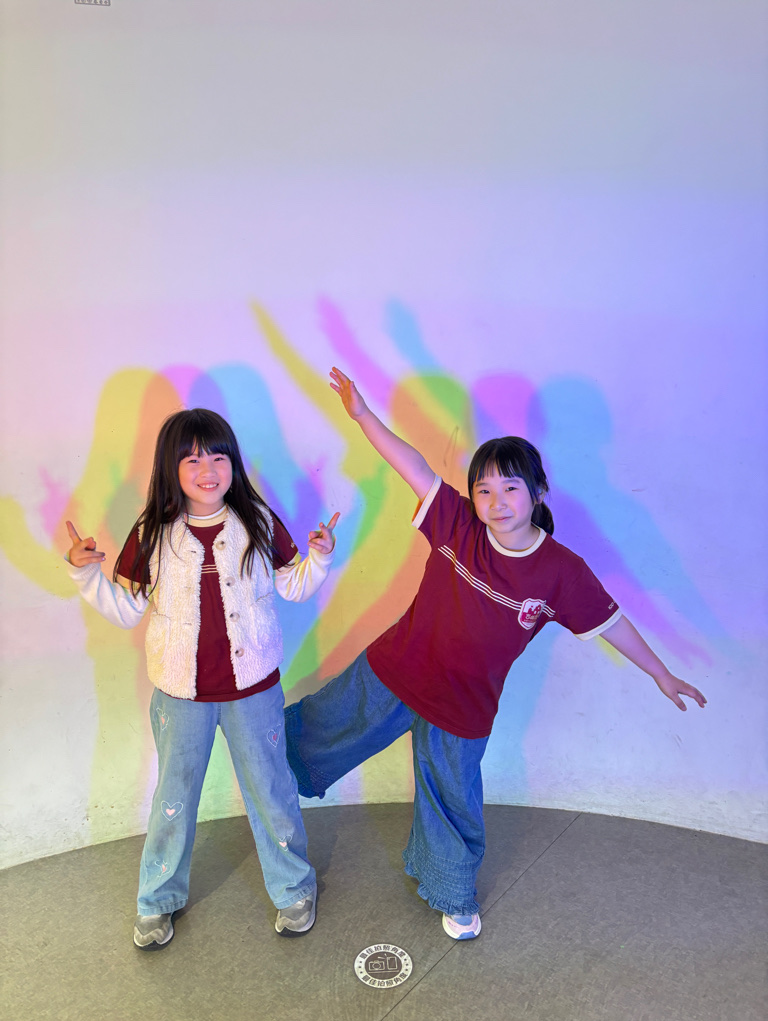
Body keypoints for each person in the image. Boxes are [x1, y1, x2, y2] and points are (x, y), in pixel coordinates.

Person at [285, 367, 707, 942]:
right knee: (322, 724)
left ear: (537, 492)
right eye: (483, 489)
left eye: (510, 488)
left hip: (464, 705)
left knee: (451, 798)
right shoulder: (455, 521)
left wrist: (662, 673)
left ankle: (453, 893)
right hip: (394, 670)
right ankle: (266, 769)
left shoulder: (561, 571)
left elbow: (611, 623)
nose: (495, 501)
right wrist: (362, 414)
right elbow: (411, 464)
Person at [65, 408, 339, 949]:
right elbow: (127, 610)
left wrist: (320, 558)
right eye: (191, 459)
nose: (207, 470)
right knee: (173, 797)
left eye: (217, 456)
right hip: (179, 694)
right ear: (171, 467)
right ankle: (157, 900)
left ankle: (293, 889)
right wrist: (84, 573)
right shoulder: (151, 533)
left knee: (272, 791)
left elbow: (293, 586)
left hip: (254, 690)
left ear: (233, 463)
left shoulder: (258, 521)